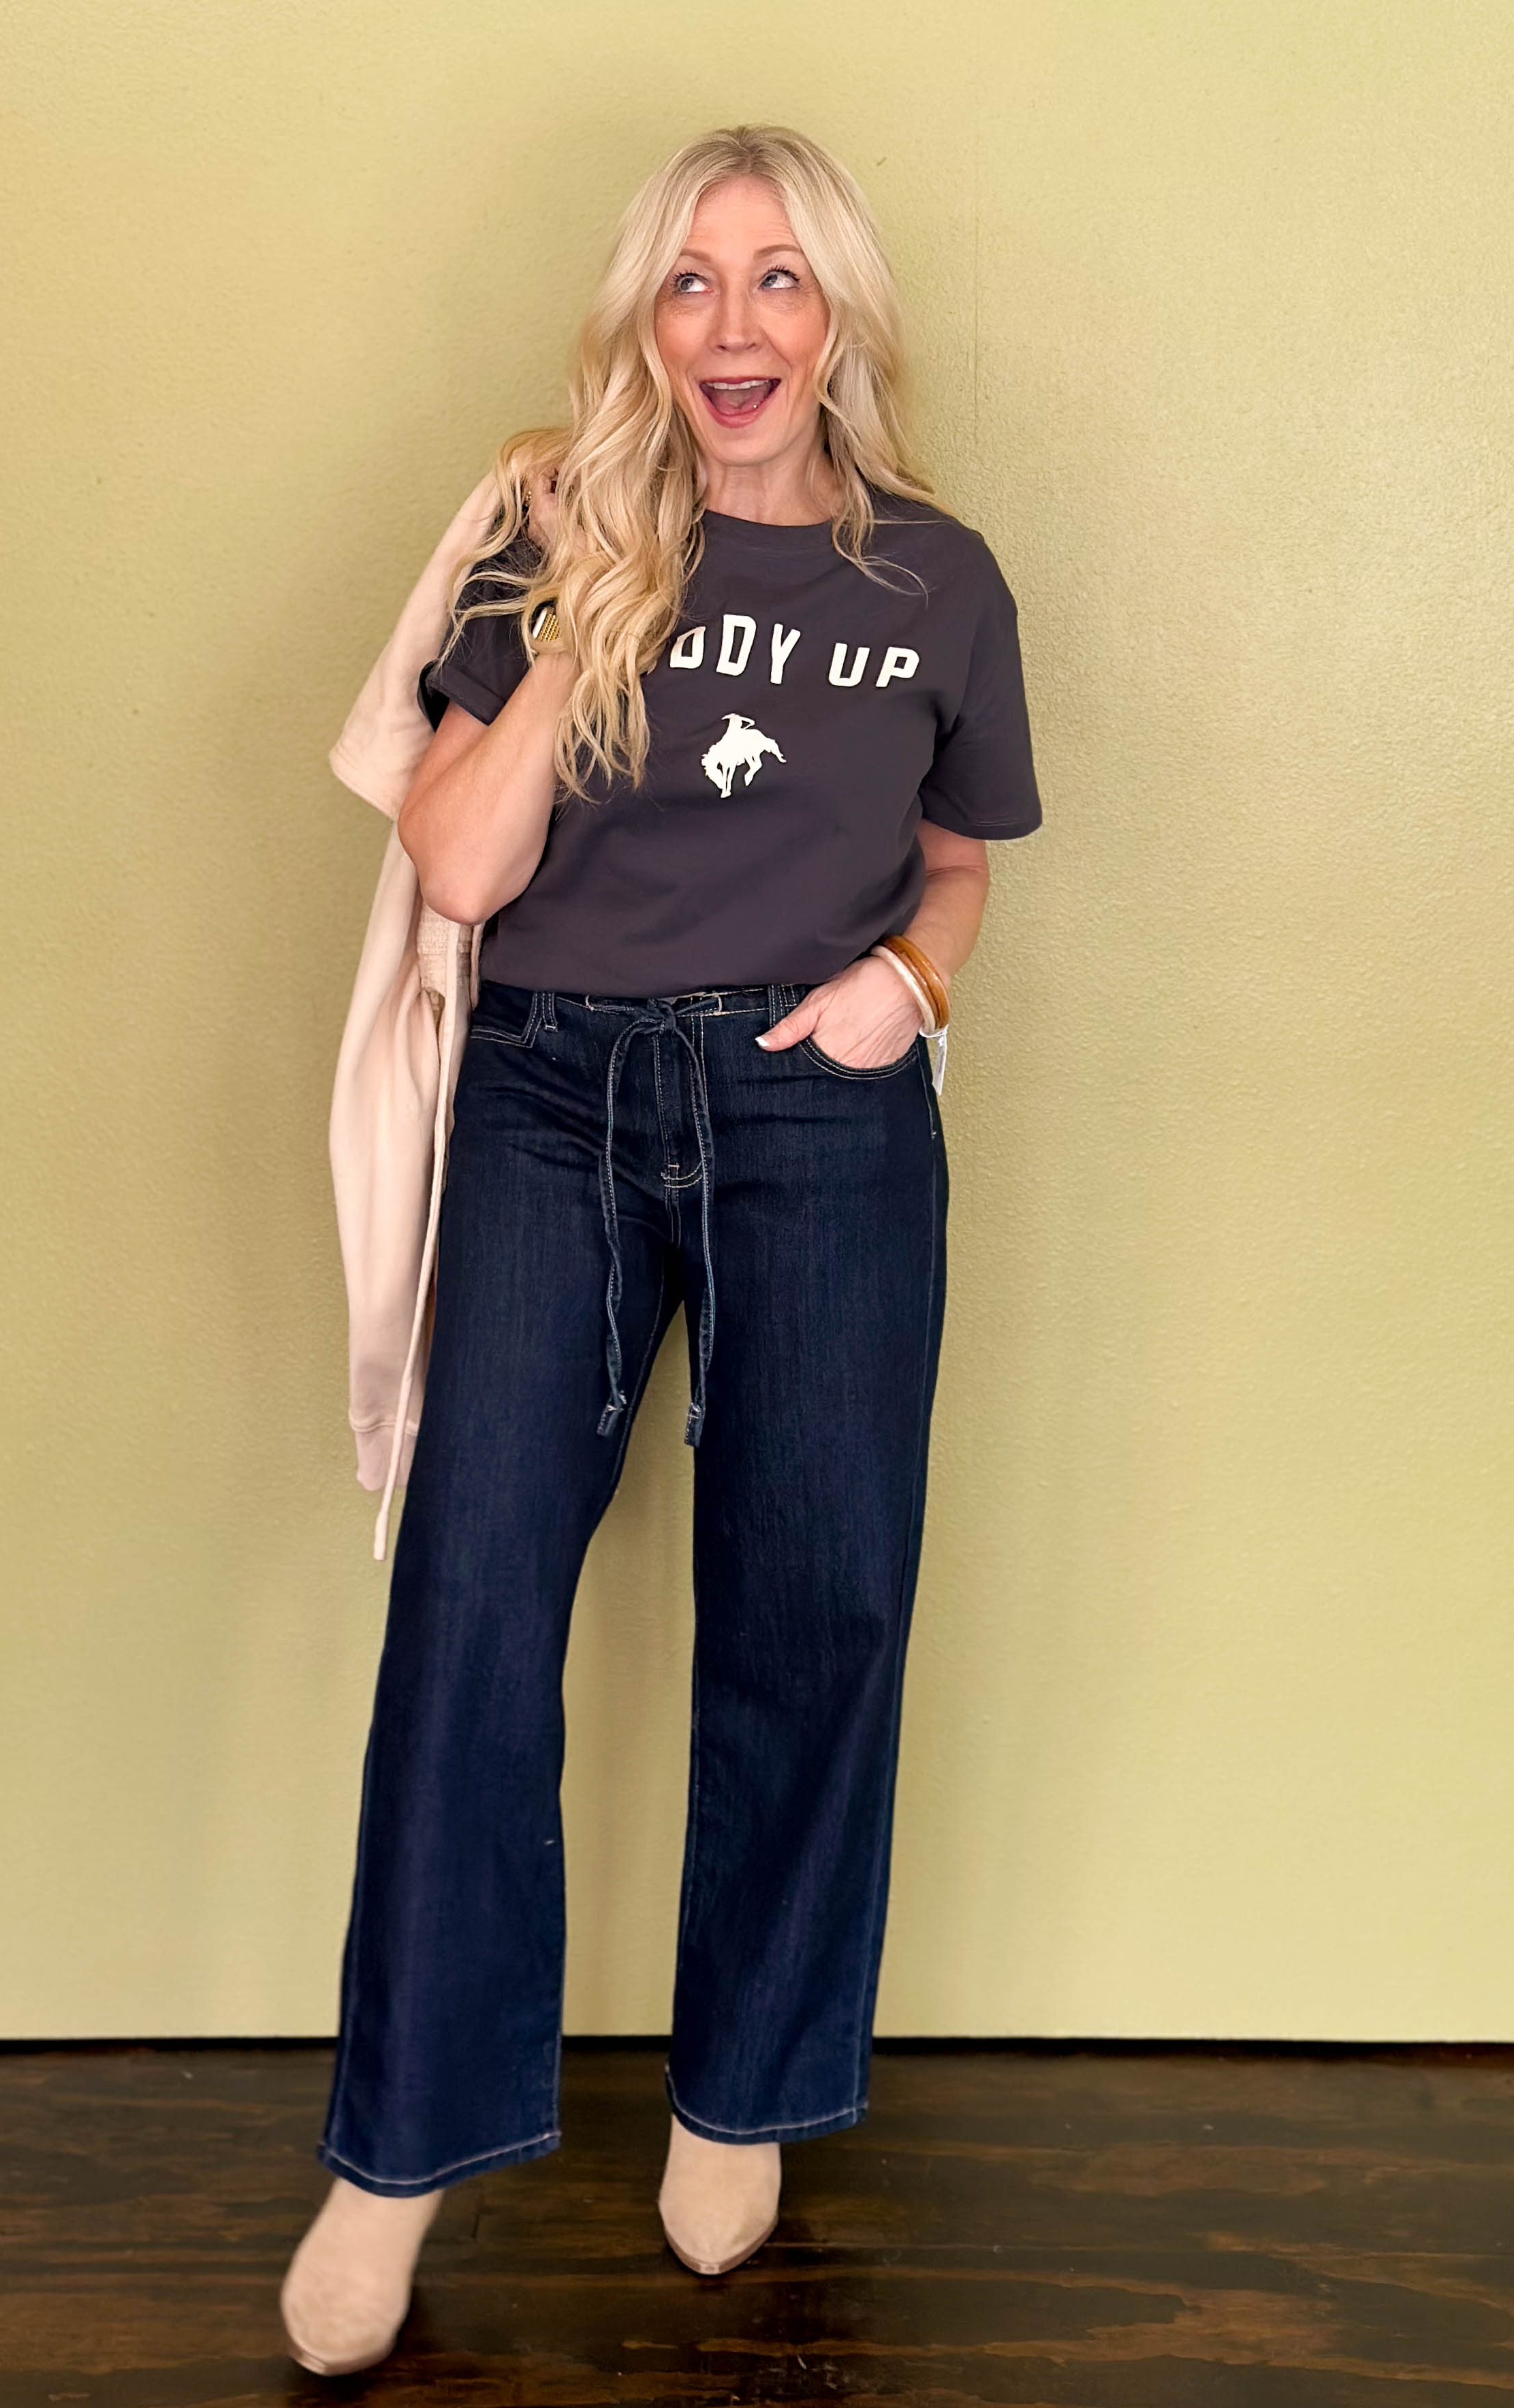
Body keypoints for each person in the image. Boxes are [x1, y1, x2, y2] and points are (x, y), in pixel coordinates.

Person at [281, 120, 1041, 2377]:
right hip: (552, 1100)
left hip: (821, 1107)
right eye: (692, 282)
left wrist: (911, 989)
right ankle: (396, 2154)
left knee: (820, 1605)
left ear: (840, 319)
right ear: (646, 322)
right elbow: (461, 868)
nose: (735, 323)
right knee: (474, 1609)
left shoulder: (941, 578)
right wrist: (593, 593)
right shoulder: (549, 536)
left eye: (779, 278)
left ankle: (748, 2097)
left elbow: (961, 861)